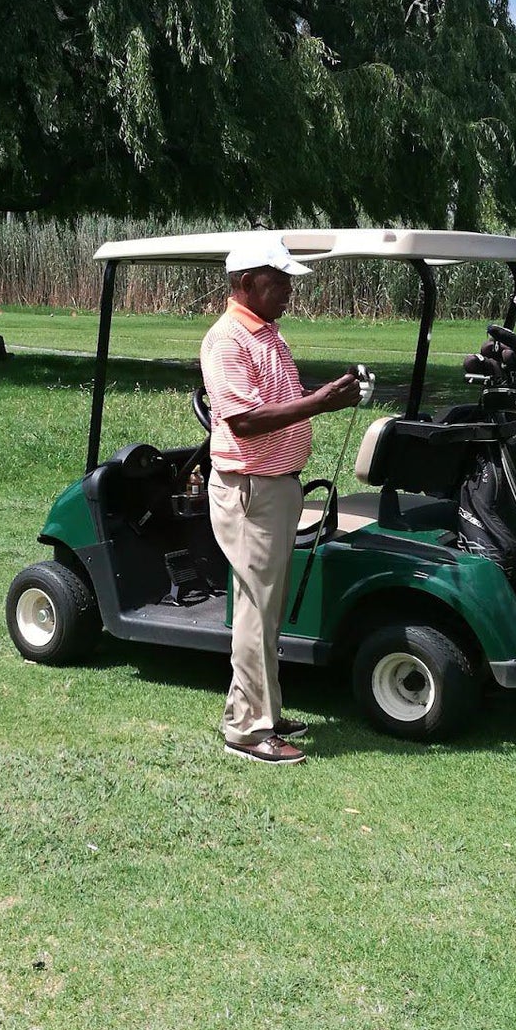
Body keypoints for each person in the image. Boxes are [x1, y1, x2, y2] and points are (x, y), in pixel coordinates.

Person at [200, 234, 361, 764]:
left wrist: (320, 396)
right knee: (255, 610)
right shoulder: (227, 340)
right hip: (251, 489)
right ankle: (247, 730)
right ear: (247, 283)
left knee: (267, 611)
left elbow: (278, 402)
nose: (289, 289)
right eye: (280, 279)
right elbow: (244, 422)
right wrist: (319, 403)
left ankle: (262, 708)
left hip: (277, 486)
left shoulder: (269, 334)